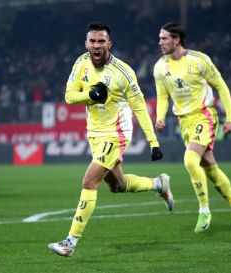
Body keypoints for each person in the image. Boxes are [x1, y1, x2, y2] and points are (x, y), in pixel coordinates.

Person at [48, 22, 174, 257]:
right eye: (92, 41)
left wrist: (153, 142)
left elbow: (139, 107)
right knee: (118, 186)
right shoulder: (80, 63)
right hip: (94, 133)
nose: (96, 46)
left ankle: (70, 242)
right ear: (86, 43)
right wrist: (90, 95)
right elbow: (68, 96)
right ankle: (159, 184)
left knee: (89, 181)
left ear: (109, 44)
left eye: (101, 41)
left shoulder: (123, 72)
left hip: (116, 134)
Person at [153, 22, 231, 234]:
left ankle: (204, 209)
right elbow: (162, 95)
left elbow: (221, 86)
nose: (159, 42)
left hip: (204, 116)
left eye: (164, 38)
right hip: (184, 122)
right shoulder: (160, 67)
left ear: (176, 39)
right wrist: (160, 117)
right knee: (211, 170)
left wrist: (230, 118)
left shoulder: (199, 60)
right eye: (159, 38)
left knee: (189, 159)